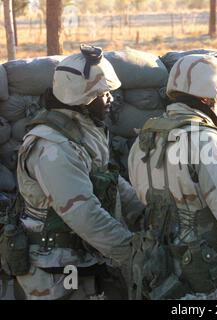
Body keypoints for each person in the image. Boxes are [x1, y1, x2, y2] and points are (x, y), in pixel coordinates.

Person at [127, 54, 217, 299]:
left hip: (158, 267)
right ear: (207, 98)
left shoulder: (143, 140)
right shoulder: (204, 139)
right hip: (205, 270)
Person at [12, 45, 145, 300]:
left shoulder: (81, 132)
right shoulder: (54, 146)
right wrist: (133, 251)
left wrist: (143, 214)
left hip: (80, 256)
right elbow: (83, 214)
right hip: (55, 268)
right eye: (102, 93)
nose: (109, 99)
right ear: (81, 98)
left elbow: (107, 179)